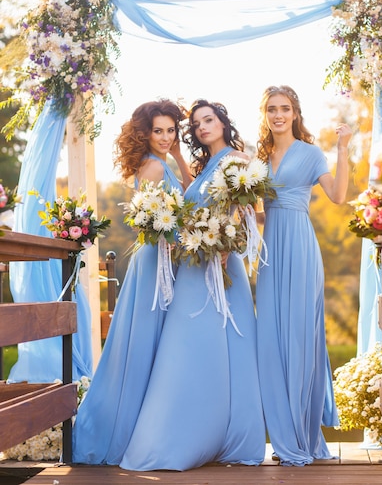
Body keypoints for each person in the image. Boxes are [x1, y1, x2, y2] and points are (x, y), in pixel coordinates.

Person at [119, 99, 266, 471]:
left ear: (223, 122)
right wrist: (182, 157)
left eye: (209, 120)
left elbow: (246, 215)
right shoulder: (201, 168)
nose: (202, 127)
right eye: (197, 123)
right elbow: (190, 196)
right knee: (188, 348)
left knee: (212, 349)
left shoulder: (237, 161)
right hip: (193, 263)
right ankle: (190, 433)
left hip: (216, 264)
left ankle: (208, 434)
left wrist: (226, 244)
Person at [72, 98, 192, 465]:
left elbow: (189, 187)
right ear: (145, 132)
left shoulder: (163, 162)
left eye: (172, 131)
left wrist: (181, 153)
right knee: (142, 348)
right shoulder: (153, 168)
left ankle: (148, 429)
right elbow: (151, 222)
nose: (166, 137)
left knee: (155, 348)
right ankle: (125, 433)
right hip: (155, 261)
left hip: (164, 261)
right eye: (159, 131)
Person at [255, 85, 352, 467]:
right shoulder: (258, 157)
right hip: (268, 253)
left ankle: (302, 434)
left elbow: (339, 196)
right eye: (271, 109)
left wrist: (343, 150)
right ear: (264, 114)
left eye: (285, 108)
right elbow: (263, 210)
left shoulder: (311, 154)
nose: (278, 115)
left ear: (295, 113)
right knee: (272, 338)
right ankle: (282, 436)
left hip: (300, 249)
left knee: (300, 337)